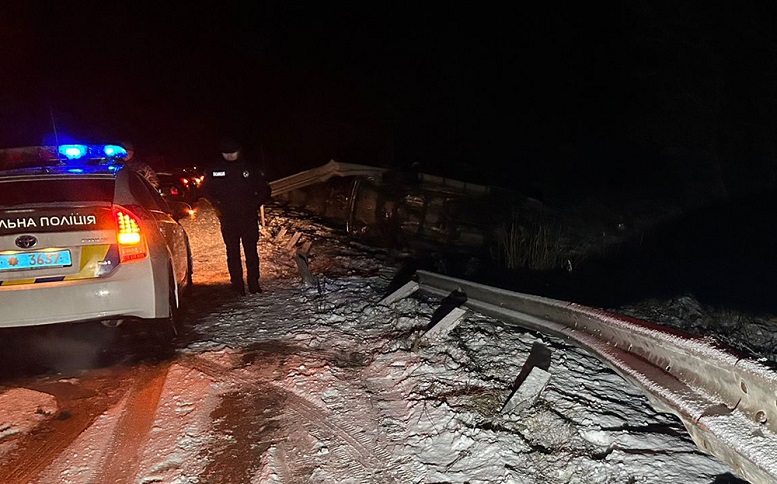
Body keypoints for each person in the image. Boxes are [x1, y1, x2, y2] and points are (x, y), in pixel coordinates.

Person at [202, 138, 272, 296]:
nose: (230, 156)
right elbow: (206, 190)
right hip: (228, 218)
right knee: (232, 252)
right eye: (226, 153)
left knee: (251, 251)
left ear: (239, 151)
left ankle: (254, 284)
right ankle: (237, 285)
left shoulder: (250, 168)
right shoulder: (214, 169)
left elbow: (265, 190)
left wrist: (254, 204)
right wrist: (218, 204)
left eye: (232, 153)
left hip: (248, 217)